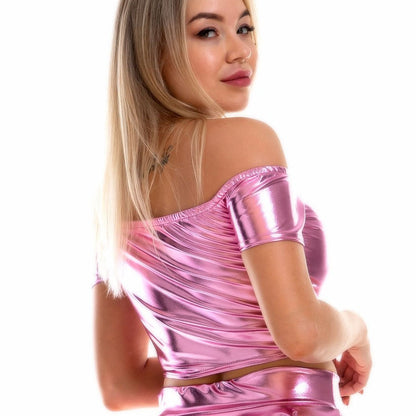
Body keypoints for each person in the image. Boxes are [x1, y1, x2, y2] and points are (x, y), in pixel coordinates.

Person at [93, 0, 372, 414]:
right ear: (155, 50)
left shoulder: (120, 191)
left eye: (244, 28)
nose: (241, 51)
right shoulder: (246, 142)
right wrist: (355, 330)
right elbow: (302, 335)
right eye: (207, 32)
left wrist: (221, 371)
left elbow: (121, 385)